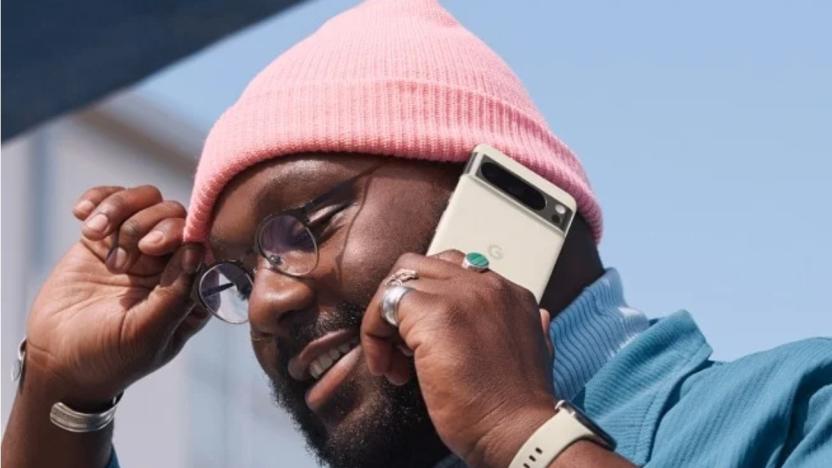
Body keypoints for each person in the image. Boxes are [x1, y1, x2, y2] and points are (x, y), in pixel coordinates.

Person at [3, 1, 830, 467]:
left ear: (501, 194)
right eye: (241, 277)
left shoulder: (799, 409)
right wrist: (58, 393)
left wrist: (522, 431)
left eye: (308, 225)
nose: (268, 303)